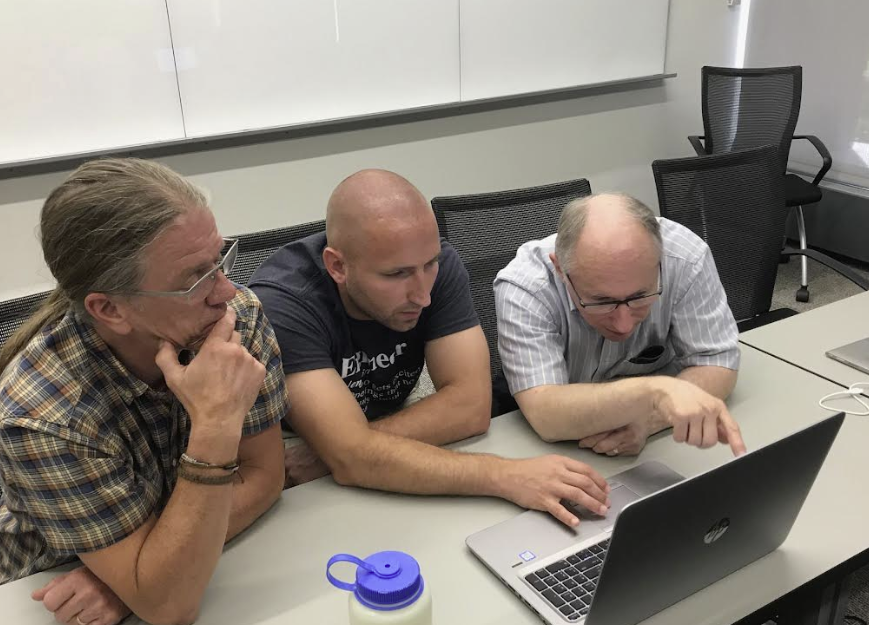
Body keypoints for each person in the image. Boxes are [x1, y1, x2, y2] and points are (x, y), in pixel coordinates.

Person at [0, 159, 288, 625]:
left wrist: (146, 573)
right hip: (43, 587)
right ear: (111, 308)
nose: (228, 290)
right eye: (196, 278)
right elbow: (170, 607)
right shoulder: (41, 416)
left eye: (220, 259)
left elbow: (263, 475)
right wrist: (215, 426)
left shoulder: (231, 322)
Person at [249, 169, 611, 528]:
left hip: (336, 452)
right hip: (291, 467)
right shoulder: (284, 304)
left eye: (429, 265)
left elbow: (471, 407)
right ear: (338, 266)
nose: (422, 295)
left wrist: (342, 452)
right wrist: (503, 475)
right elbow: (351, 462)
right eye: (397, 275)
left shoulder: (441, 265)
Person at [494, 192, 745, 457]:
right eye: (601, 302)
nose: (623, 325)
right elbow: (546, 413)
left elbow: (717, 362)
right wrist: (654, 392)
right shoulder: (525, 287)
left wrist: (649, 420)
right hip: (559, 450)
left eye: (640, 297)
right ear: (559, 269)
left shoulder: (685, 258)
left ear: (660, 263)